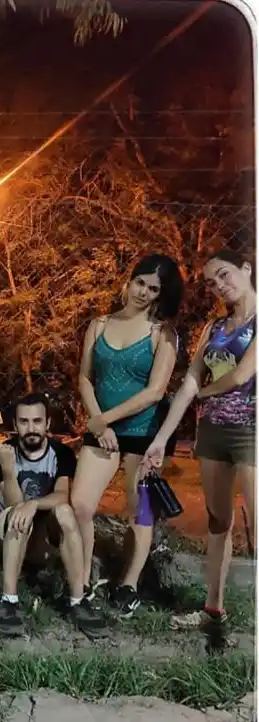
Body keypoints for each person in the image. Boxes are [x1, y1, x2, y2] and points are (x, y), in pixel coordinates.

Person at [142, 249, 255, 637]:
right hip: (213, 434)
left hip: (252, 432)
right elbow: (189, 382)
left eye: (224, 275)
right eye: (211, 283)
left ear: (246, 269)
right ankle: (213, 610)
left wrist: (205, 391)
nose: (219, 286)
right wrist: (160, 440)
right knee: (218, 521)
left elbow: (241, 376)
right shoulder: (214, 329)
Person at [70, 254, 184, 618]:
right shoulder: (98, 325)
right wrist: (98, 424)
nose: (144, 293)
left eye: (153, 289)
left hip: (143, 432)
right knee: (81, 506)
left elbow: (155, 392)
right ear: (129, 281)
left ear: (160, 296)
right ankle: (82, 578)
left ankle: (128, 585)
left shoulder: (162, 333)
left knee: (140, 514)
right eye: (140, 283)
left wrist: (106, 420)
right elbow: (85, 378)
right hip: (102, 429)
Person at [0, 393, 106, 638]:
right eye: (24, 422)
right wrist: (9, 470)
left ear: (47, 424)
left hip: (44, 532)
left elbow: (62, 495)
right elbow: (13, 505)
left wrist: (34, 504)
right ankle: (9, 601)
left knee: (64, 511)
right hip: (10, 532)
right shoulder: (3, 453)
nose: (31, 428)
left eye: (37, 421)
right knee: (18, 515)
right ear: (15, 424)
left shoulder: (60, 453)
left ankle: (78, 601)